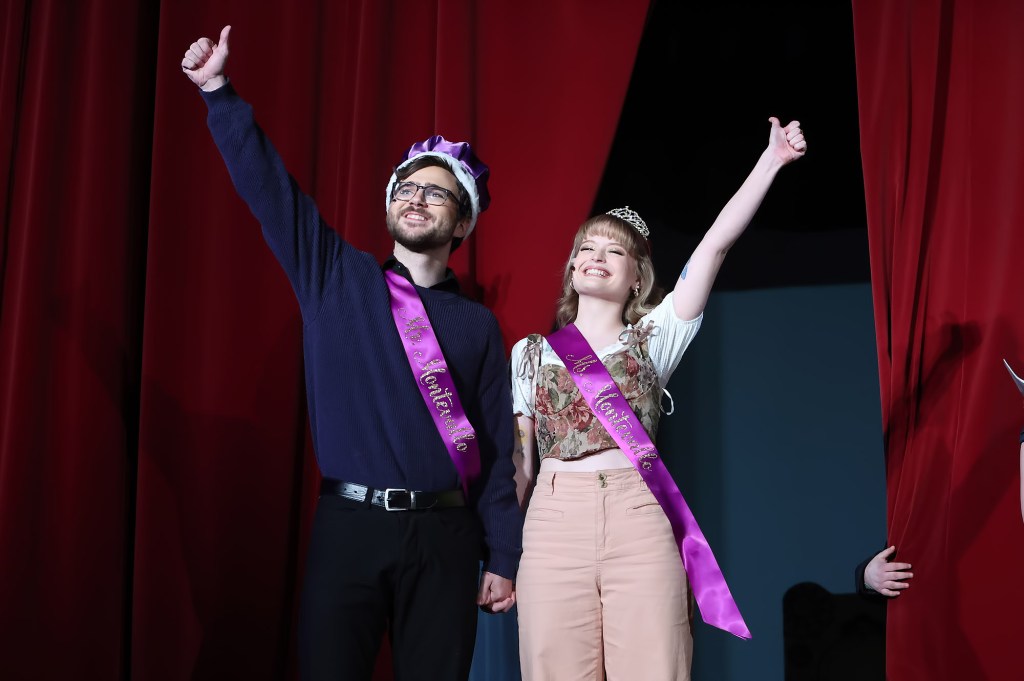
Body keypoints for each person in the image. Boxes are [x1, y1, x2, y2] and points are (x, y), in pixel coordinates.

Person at [180, 25, 522, 681]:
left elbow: (495, 448)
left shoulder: (479, 326)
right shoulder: (335, 275)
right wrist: (218, 92)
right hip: (349, 526)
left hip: (446, 538)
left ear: (463, 222)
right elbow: (269, 189)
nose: (416, 198)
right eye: (406, 188)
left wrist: (503, 553)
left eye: (436, 192)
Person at [510, 118, 806, 679]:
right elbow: (520, 465)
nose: (596, 256)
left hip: (638, 516)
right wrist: (502, 553)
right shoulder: (529, 353)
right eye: (587, 247)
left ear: (637, 277)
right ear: (571, 267)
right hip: (552, 520)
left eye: (614, 251)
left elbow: (714, 246)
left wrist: (770, 161)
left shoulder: (654, 337)